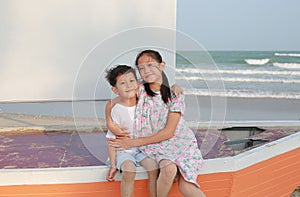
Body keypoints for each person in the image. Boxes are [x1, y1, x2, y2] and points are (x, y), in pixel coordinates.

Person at [108, 50, 206, 197]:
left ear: (162, 65)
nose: (146, 71)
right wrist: (110, 122)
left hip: (181, 142)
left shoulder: (174, 95)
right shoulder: (139, 90)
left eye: (150, 65)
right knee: (169, 169)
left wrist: (133, 143)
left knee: (187, 187)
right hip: (158, 145)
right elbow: (112, 102)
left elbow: (169, 132)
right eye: (141, 68)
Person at [105, 65, 158, 197]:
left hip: (143, 149)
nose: (128, 85)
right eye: (123, 83)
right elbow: (112, 139)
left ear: (138, 83)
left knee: (153, 168)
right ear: (115, 89)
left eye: (132, 81)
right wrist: (112, 165)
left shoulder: (145, 105)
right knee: (129, 171)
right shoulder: (116, 110)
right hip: (124, 151)